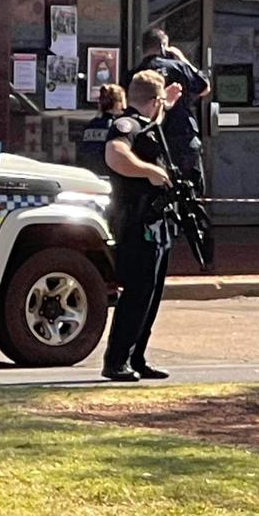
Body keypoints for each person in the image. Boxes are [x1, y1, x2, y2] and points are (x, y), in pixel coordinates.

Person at [102, 70, 182, 382]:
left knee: (151, 295)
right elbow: (115, 153)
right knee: (137, 294)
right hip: (136, 223)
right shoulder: (126, 125)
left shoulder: (146, 123)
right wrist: (149, 171)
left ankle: (137, 357)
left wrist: (168, 104)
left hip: (155, 223)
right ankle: (117, 361)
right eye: (160, 102)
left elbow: (150, 128)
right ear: (153, 101)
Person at [129, 27, 211, 190]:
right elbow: (204, 87)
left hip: (150, 140)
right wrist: (182, 59)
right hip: (182, 137)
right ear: (163, 47)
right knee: (190, 191)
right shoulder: (179, 67)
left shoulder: (135, 74)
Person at [78, 83, 126, 175]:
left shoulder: (91, 125)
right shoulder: (117, 126)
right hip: (110, 176)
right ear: (118, 103)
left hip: (90, 174)